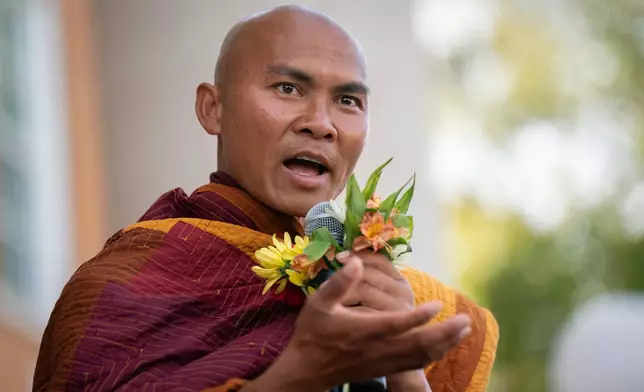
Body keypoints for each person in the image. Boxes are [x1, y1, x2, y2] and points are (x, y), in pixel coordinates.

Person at [33, 5, 498, 392]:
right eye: (287, 88)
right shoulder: (132, 282)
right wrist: (300, 372)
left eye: (348, 101)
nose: (321, 122)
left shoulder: (398, 298)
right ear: (213, 108)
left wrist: (405, 369)